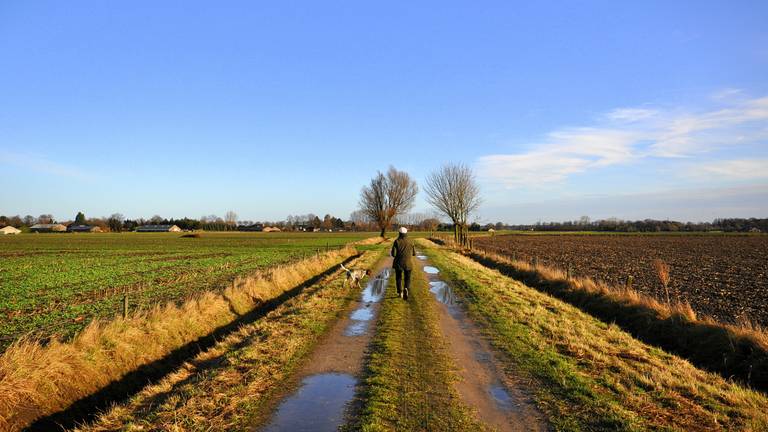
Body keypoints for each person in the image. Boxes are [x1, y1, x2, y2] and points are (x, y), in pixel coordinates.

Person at [391, 226, 416, 299]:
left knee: (398, 278)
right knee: (407, 278)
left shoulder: (396, 241)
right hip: (408, 263)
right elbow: (414, 253)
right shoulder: (411, 241)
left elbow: (393, 254)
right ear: (406, 233)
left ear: (399, 233)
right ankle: (406, 288)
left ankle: (400, 292)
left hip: (398, 263)